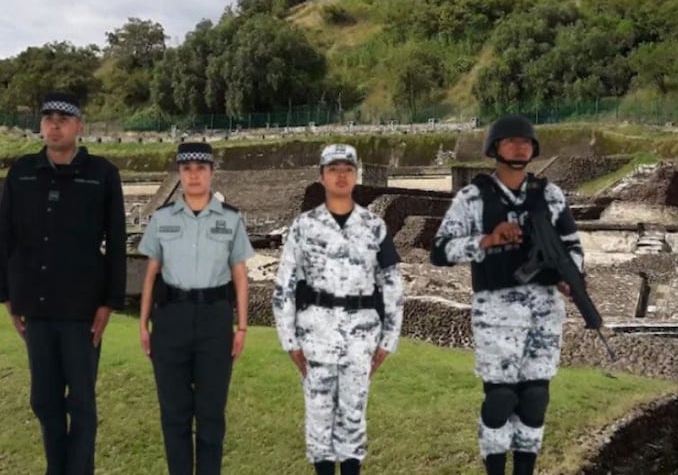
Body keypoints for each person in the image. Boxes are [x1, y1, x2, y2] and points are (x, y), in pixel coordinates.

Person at [430, 114, 586, 475]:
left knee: (535, 399)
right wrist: (485, 240)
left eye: (526, 141)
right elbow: (440, 251)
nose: (519, 145)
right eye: (510, 140)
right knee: (500, 398)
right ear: (494, 148)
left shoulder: (550, 195)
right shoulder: (473, 197)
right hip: (496, 310)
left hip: (545, 310)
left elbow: (572, 245)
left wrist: (571, 275)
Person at [0, 91, 126, 475]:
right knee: (45, 400)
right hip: (36, 307)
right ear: (41, 125)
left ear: (79, 126)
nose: (55, 124)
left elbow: (117, 241)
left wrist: (109, 302)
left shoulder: (102, 174)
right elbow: (5, 238)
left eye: (64, 118)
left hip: (82, 310)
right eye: (48, 117)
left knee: (82, 404)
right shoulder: (21, 172)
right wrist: (8, 297)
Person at [273, 144, 405, 475]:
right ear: (322, 176)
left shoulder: (374, 226)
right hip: (315, 332)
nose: (341, 175)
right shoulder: (304, 227)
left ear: (356, 175)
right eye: (334, 169)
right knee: (318, 419)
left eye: (348, 168)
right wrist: (289, 341)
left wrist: (388, 340)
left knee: (352, 417)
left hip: (362, 335)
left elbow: (392, 284)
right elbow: (285, 286)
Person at [137, 142, 253, 475]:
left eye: (200, 168)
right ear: (179, 173)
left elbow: (240, 276)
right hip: (170, 318)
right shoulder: (162, 219)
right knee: (173, 413)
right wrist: (143, 324)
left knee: (211, 412)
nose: (193, 175)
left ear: (211, 173)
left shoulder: (230, 220)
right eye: (187, 169)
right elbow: (151, 273)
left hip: (215, 319)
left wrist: (242, 327)